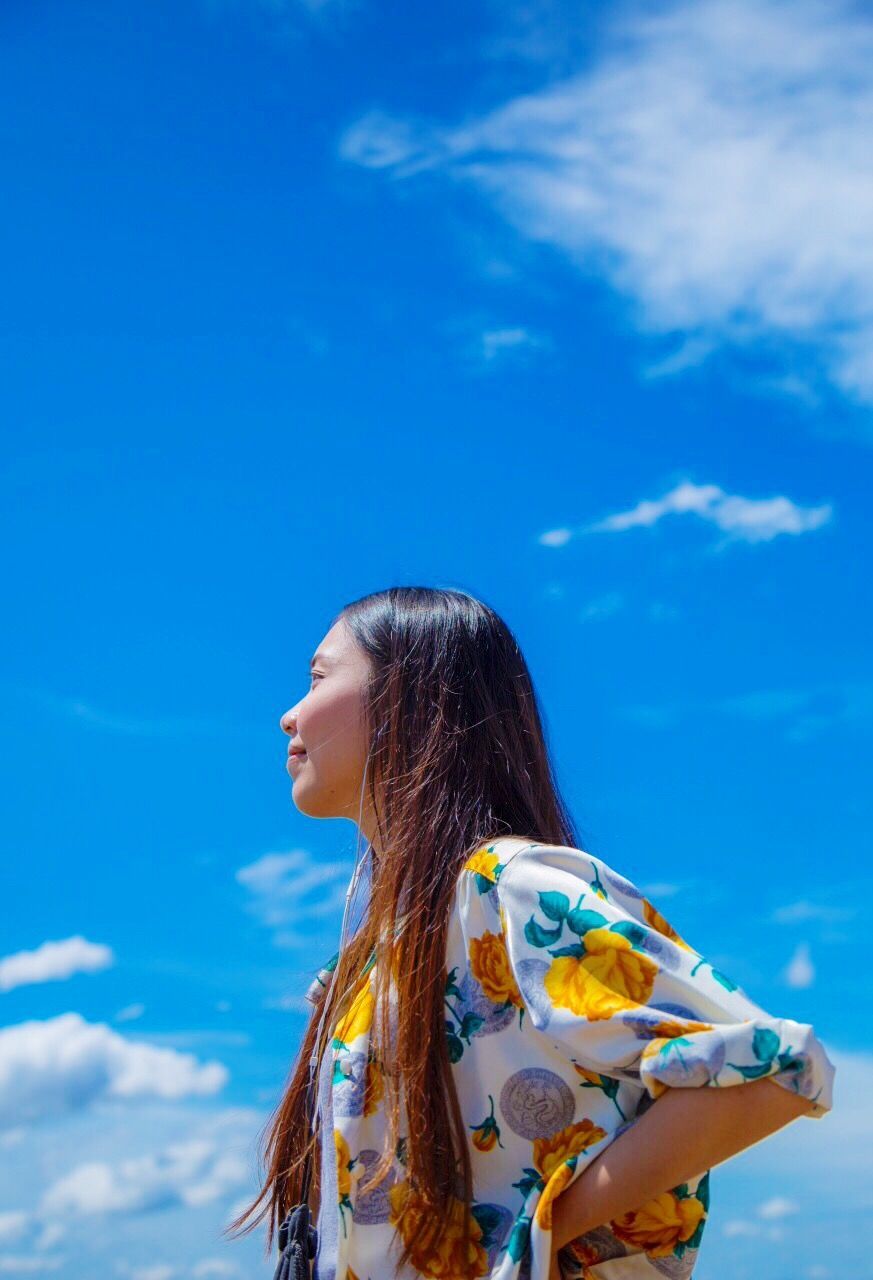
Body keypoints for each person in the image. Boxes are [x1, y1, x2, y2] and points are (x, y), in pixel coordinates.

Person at [231, 586, 835, 1280]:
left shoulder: (508, 889)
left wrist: (534, 1238)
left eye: (317, 677)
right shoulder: (374, 956)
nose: (288, 715)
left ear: (408, 694)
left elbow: (772, 1071)